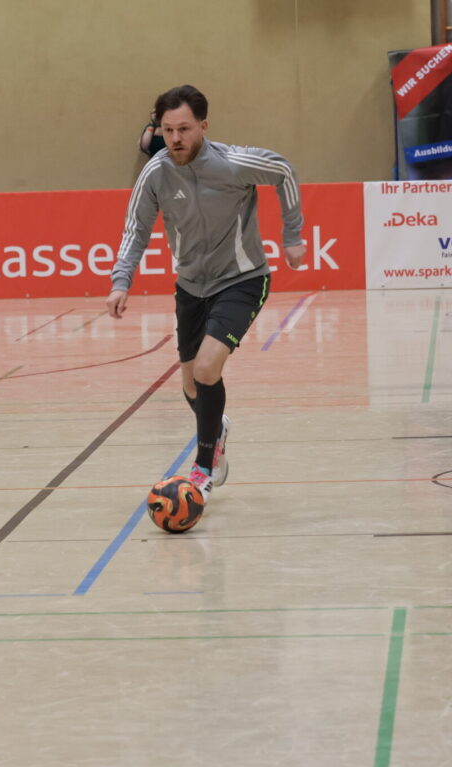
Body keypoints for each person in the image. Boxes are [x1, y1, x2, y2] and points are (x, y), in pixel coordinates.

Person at [107, 85, 306, 500]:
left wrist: (292, 235)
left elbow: (284, 170)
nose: (175, 138)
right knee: (191, 387)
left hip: (242, 279)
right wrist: (121, 280)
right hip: (190, 287)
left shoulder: (234, 163)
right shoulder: (156, 172)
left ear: (203, 125)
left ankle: (202, 469)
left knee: (206, 368)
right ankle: (217, 428)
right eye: (167, 130)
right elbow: (135, 228)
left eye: (183, 129)